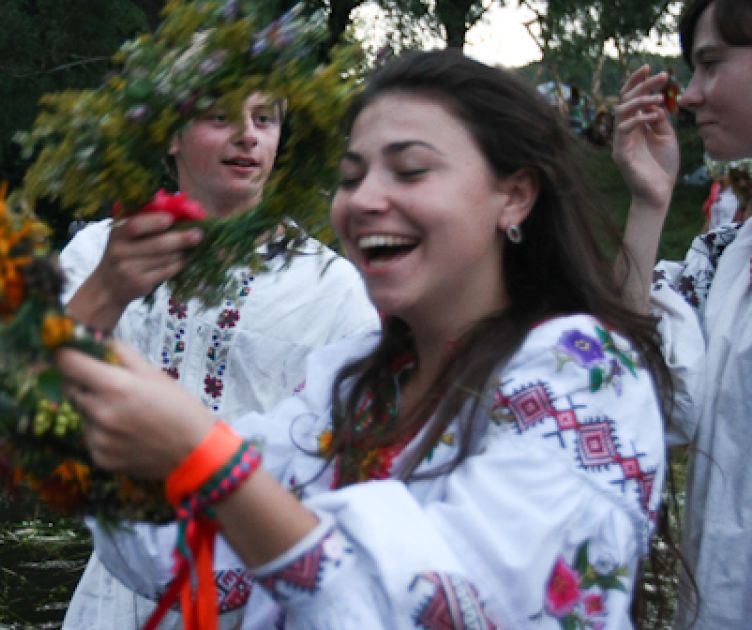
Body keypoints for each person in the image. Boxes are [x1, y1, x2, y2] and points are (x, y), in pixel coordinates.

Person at [57, 51, 673, 628]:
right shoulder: (351, 385)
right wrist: (99, 381)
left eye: (410, 170)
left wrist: (209, 458)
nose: (365, 200)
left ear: (513, 195)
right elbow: (177, 553)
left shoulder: (581, 371)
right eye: (352, 176)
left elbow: (459, 606)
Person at [59, 91, 379, 628]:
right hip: (119, 588)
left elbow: (360, 468)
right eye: (220, 117)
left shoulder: (335, 290)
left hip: (260, 596)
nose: (248, 135)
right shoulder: (100, 254)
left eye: (264, 119)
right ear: (172, 135)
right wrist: (105, 293)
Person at [612, 0, 752, 626]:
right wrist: (649, 203)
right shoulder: (729, 257)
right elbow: (631, 384)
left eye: (711, 64)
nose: (690, 96)